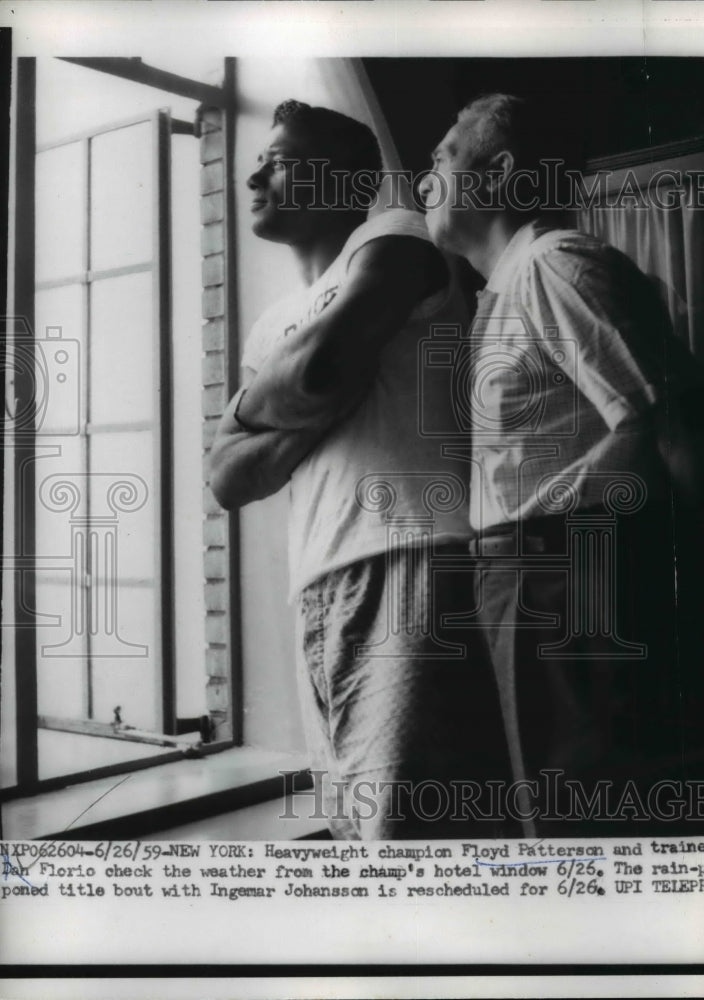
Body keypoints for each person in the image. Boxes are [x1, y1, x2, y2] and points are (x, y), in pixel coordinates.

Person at [419, 93, 704, 836]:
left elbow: (672, 423)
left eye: (442, 154)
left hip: (570, 574)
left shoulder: (555, 264)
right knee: (553, 812)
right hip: (529, 579)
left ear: (498, 172)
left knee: (586, 818)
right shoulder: (508, 287)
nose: (425, 172)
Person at [210, 100, 509, 839]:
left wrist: (272, 413)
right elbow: (226, 479)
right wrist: (309, 402)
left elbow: (317, 369)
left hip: (407, 560)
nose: (253, 174)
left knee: (406, 841)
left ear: (341, 180)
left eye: (278, 159)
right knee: (358, 833)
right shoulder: (266, 321)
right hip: (318, 587)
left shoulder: (396, 240)